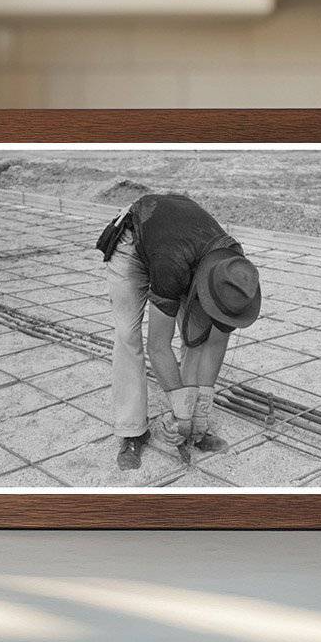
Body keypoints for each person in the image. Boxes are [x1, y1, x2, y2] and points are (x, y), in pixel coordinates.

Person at [98, 193, 262, 470]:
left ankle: (189, 425)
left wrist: (199, 411)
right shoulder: (172, 266)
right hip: (135, 240)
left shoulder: (235, 277)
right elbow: (158, 346)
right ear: (203, 286)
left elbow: (214, 343)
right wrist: (182, 410)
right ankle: (132, 430)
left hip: (185, 246)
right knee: (128, 335)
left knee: (196, 335)